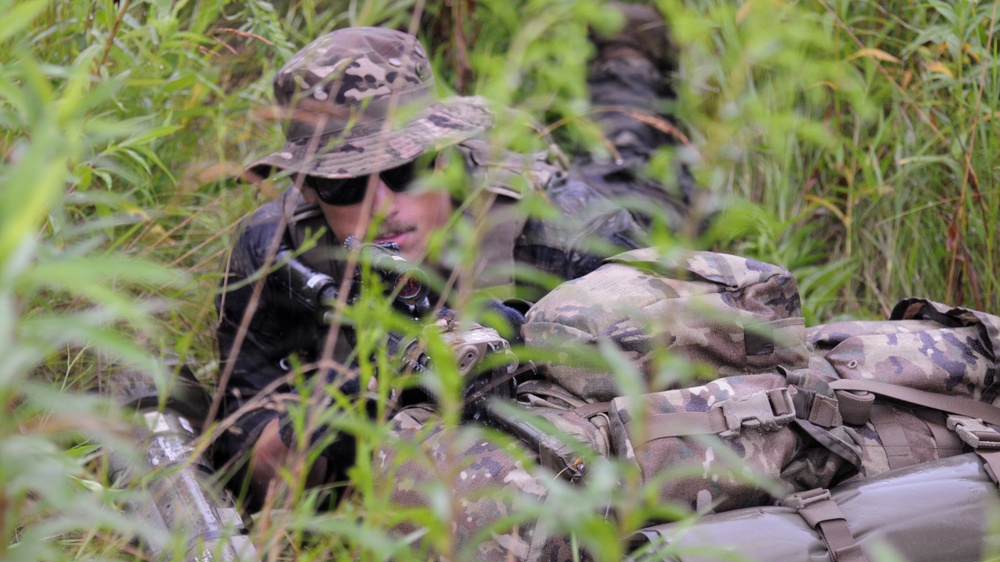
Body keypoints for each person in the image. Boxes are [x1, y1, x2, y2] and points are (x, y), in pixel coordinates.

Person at [210, 8, 696, 514]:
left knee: (630, 153)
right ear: (305, 186)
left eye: (406, 169)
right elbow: (250, 466)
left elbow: (679, 397)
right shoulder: (278, 254)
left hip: (610, 202)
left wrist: (533, 340)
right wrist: (331, 413)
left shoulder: (564, 231)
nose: (382, 208)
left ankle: (625, 49)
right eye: (345, 184)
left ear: (442, 155)